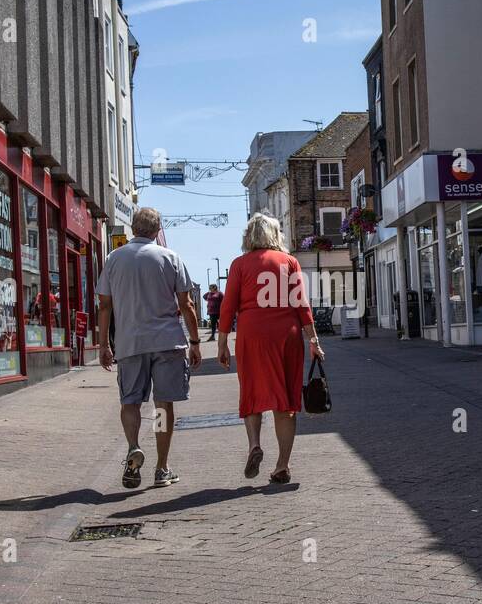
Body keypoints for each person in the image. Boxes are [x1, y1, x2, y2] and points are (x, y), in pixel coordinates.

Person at [96, 208, 203, 489]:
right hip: (167, 342)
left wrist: (103, 344)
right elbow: (186, 304)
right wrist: (194, 341)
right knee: (162, 405)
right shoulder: (170, 258)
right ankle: (161, 467)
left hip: (129, 342)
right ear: (157, 231)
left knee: (129, 401)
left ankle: (133, 447)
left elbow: (105, 305)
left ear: (133, 228)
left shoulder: (113, 259)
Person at [216, 213, 324, 484]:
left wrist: (221, 344)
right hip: (285, 334)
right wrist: (313, 340)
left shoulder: (239, 265)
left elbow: (227, 307)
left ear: (248, 237)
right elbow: (301, 305)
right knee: (285, 401)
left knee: (252, 392)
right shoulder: (289, 262)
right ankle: (282, 466)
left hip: (251, 334)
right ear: (277, 236)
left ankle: (254, 444)